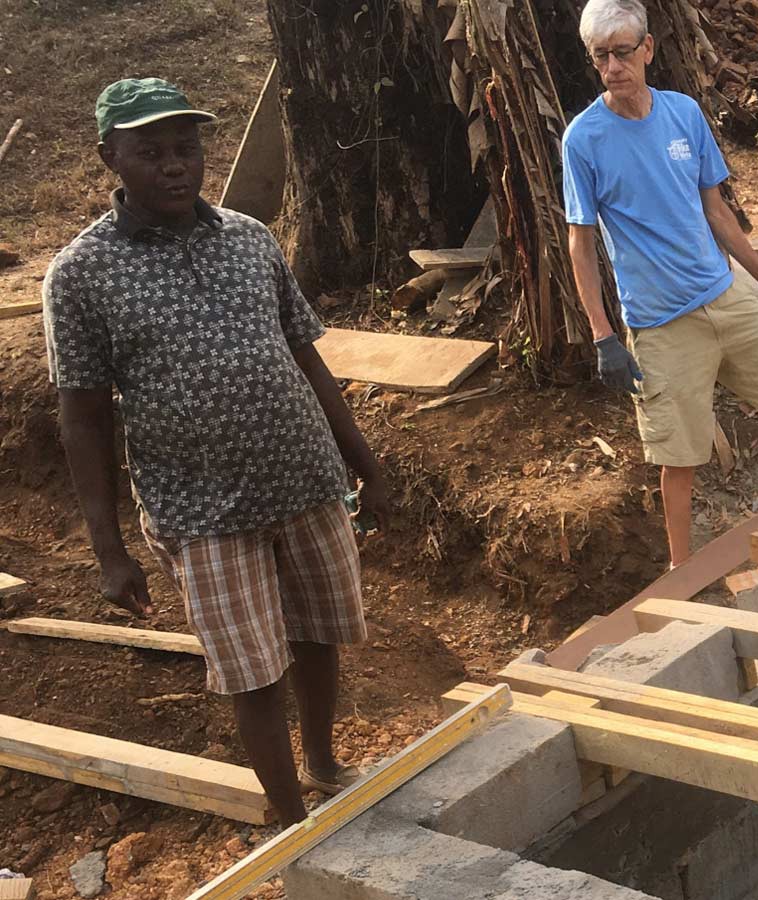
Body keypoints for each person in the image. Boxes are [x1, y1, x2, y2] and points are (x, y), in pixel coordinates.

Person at [43, 78, 391, 825]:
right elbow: (83, 419)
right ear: (112, 157)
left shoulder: (248, 238)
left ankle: (325, 763)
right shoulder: (81, 274)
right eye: (150, 152)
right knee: (252, 672)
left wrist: (362, 461)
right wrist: (108, 552)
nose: (175, 165)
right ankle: (292, 819)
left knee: (320, 634)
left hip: (304, 483)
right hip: (202, 511)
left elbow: (306, 356)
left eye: (186, 147)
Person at [562, 0, 758, 569]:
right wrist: (603, 336)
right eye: (601, 56)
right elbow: (580, 245)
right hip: (660, 323)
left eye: (622, 52)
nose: (613, 66)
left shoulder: (683, 115)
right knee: (677, 457)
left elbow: (717, 211)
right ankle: (681, 571)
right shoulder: (583, 140)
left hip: (724, 295)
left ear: (648, 50)